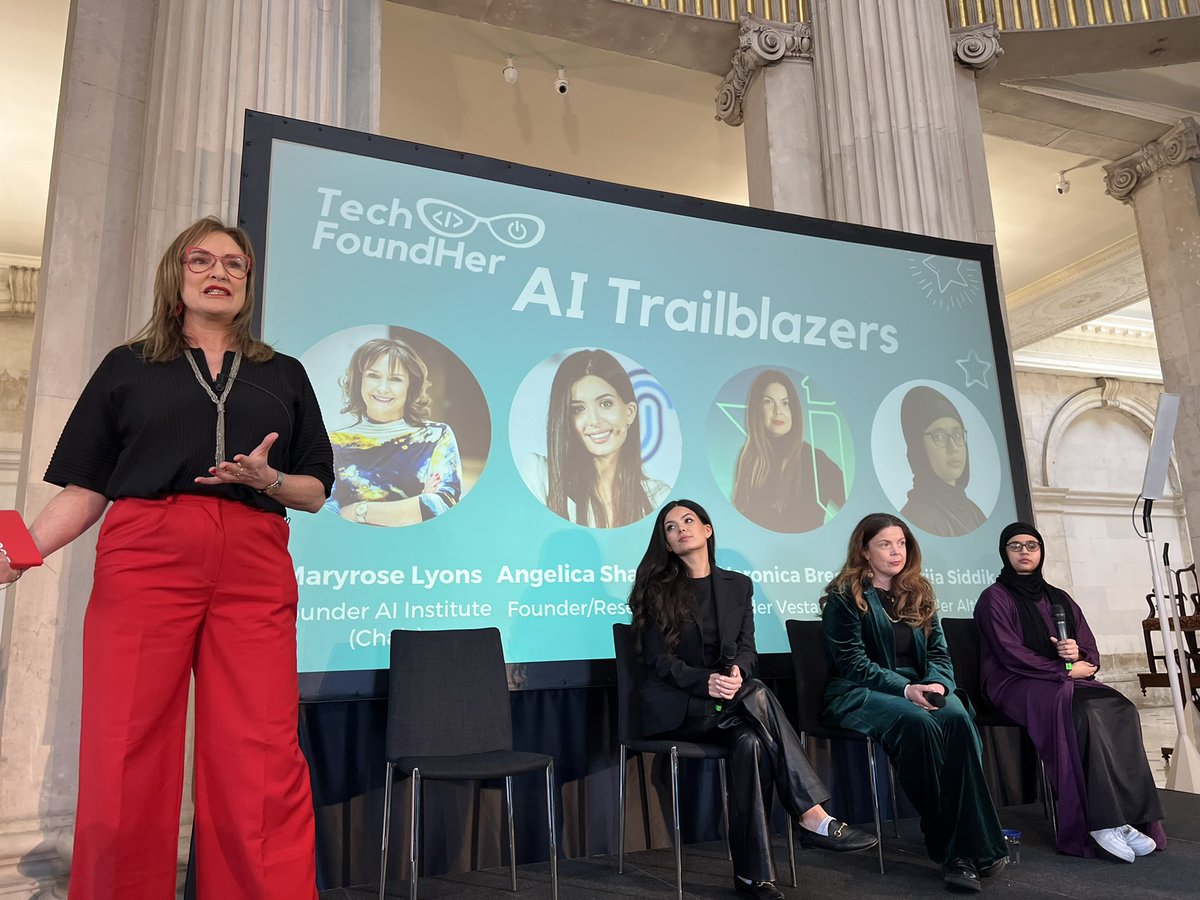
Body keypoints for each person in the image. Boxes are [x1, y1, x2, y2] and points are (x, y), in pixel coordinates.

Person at [0, 217, 333, 899]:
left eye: (235, 264)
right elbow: (88, 485)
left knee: (261, 753)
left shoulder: (285, 374)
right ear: (176, 275)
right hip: (147, 555)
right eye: (202, 259)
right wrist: (18, 550)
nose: (220, 272)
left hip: (254, 563)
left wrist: (266, 479)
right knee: (125, 747)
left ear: (248, 281)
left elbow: (315, 490)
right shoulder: (129, 366)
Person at [628, 499, 877, 900]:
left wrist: (738, 673)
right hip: (680, 708)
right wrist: (706, 682)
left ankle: (752, 875)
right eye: (670, 528)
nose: (680, 530)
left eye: (688, 521)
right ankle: (812, 814)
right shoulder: (656, 590)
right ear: (667, 543)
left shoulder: (737, 585)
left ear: (708, 530)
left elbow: (747, 648)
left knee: (752, 741)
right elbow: (657, 660)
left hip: (729, 704)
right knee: (758, 694)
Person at [821, 512, 1007, 892]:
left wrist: (938, 686)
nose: (896, 551)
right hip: (864, 692)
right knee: (918, 722)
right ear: (865, 550)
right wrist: (906, 691)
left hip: (924, 687)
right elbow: (853, 664)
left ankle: (961, 849)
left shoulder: (919, 591)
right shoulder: (845, 595)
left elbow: (940, 654)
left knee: (955, 717)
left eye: (901, 543)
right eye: (885, 544)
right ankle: (956, 845)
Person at [974, 522, 1166, 861]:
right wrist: (1063, 669)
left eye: (1031, 545)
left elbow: (1088, 647)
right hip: (1014, 683)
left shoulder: (1059, 599)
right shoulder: (994, 598)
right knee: (1080, 712)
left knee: (1118, 706)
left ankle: (1127, 819)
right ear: (1004, 553)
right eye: (1015, 546)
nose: (1024, 552)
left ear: (1041, 552)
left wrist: (1081, 659)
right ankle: (1098, 823)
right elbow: (1009, 653)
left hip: (1060, 679)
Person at [520, 348, 669, 527]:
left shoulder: (657, 497)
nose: (594, 420)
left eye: (605, 404)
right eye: (578, 409)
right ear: (564, 419)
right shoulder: (539, 476)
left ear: (629, 412)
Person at [327, 336, 462, 526]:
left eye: (395, 379)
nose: (383, 388)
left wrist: (357, 510)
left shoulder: (436, 436)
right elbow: (327, 512)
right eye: (373, 375)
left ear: (410, 386)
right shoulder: (333, 443)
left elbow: (442, 504)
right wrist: (414, 506)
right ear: (359, 381)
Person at [731, 369, 845, 533]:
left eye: (785, 403)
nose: (778, 410)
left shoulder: (815, 459)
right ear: (756, 409)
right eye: (768, 402)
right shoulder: (749, 459)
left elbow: (852, 509)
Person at [898, 385, 985, 537]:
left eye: (957, 434)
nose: (953, 448)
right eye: (939, 436)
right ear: (918, 449)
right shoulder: (917, 517)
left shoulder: (974, 512)